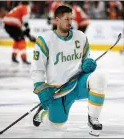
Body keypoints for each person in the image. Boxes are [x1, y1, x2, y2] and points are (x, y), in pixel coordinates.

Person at [30, 6, 107, 136]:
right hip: (58, 90)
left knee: (99, 77)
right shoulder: (45, 40)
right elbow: (37, 68)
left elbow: (85, 61)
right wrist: (40, 88)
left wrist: (88, 65)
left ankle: (93, 119)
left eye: (71, 18)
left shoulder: (81, 37)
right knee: (57, 126)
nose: (70, 22)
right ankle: (42, 113)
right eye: (66, 19)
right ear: (57, 20)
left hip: (78, 83)